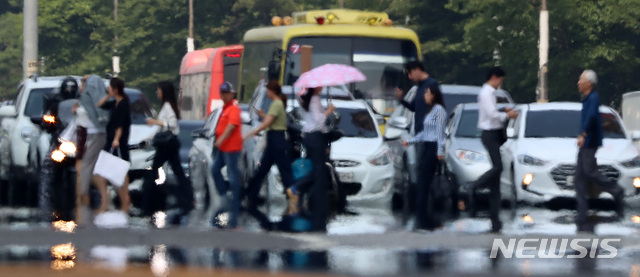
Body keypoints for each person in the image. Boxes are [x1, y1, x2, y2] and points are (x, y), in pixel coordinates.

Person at [574, 69, 625, 233]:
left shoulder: (593, 98)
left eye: (580, 80)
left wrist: (583, 134)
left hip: (589, 141)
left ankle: (616, 189)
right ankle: (582, 211)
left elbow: (591, 118)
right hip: (586, 141)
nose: (578, 83)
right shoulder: (588, 98)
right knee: (579, 177)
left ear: (588, 83)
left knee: (589, 171)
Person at [472, 66, 518, 233]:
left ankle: (495, 217)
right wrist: (508, 115)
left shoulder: (490, 94)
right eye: (500, 79)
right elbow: (491, 114)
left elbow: (493, 112)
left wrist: (504, 111)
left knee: (496, 179)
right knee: (498, 167)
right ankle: (475, 185)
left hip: (495, 134)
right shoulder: (486, 93)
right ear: (494, 77)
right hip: (489, 134)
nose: (501, 83)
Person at [142, 81, 195, 221]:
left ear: (163, 91)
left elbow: (171, 125)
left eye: (158, 90)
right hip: (170, 143)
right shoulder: (167, 106)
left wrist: (155, 122)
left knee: (154, 170)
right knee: (178, 172)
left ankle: (147, 203)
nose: (157, 92)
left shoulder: (167, 107)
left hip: (168, 144)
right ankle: (190, 198)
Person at [395, 61, 439, 213]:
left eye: (410, 73)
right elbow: (414, 107)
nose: (409, 77)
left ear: (417, 70)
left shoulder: (431, 85)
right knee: (421, 173)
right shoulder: (420, 87)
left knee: (425, 174)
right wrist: (402, 100)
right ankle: (421, 211)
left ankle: (426, 211)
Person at [402, 83, 447, 230]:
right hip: (427, 146)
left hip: (433, 148)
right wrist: (410, 141)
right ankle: (422, 214)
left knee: (424, 181)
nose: (424, 96)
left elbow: (440, 133)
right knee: (423, 181)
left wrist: (440, 151)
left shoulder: (439, 110)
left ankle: (424, 214)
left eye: (427, 93)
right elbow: (425, 133)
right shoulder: (431, 110)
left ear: (433, 95)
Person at [243, 80, 294, 210]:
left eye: (267, 90)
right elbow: (271, 121)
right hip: (274, 140)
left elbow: (266, 124)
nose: (266, 93)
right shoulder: (276, 104)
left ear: (272, 91)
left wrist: (249, 134)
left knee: (284, 171)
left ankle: (294, 194)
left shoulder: (276, 104)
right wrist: (263, 115)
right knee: (263, 170)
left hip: (276, 139)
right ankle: (251, 194)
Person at [295, 87, 335, 232]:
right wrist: (329, 110)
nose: (323, 87)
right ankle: (317, 203)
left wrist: (326, 138)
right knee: (319, 172)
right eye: (320, 85)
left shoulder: (308, 99)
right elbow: (319, 121)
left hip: (312, 137)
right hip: (314, 137)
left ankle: (299, 188)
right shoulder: (314, 99)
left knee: (319, 170)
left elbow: (318, 124)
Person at [95, 77, 131, 215]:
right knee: (107, 169)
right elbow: (100, 104)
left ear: (116, 89)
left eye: (110, 87)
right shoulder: (114, 103)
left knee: (121, 169)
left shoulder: (123, 104)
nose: (108, 89)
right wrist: (108, 96)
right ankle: (109, 202)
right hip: (111, 140)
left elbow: (120, 125)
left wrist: (116, 139)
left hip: (118, 142)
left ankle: (125, 201)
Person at [76, 75, 110, 221]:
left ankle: (85, 196)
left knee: (87, 166)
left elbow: (99, 115)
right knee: (92, 167)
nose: (83, 86)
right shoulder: (85, 98)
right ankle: (94, 198)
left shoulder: (97, 98)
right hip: (87, 136)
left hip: (97, 134)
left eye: (85, 83)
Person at [211, 81, 243, 229]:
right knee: (214, 170)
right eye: (222, 93)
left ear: (232, 94)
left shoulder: (234, 109)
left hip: (231, 148)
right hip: (223, 148)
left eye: (226, 93)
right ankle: (224, 195)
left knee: (232, 175)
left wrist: (221, 139)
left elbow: (231, 127)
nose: (224, 95)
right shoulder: (224, 109)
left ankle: (235, 202)